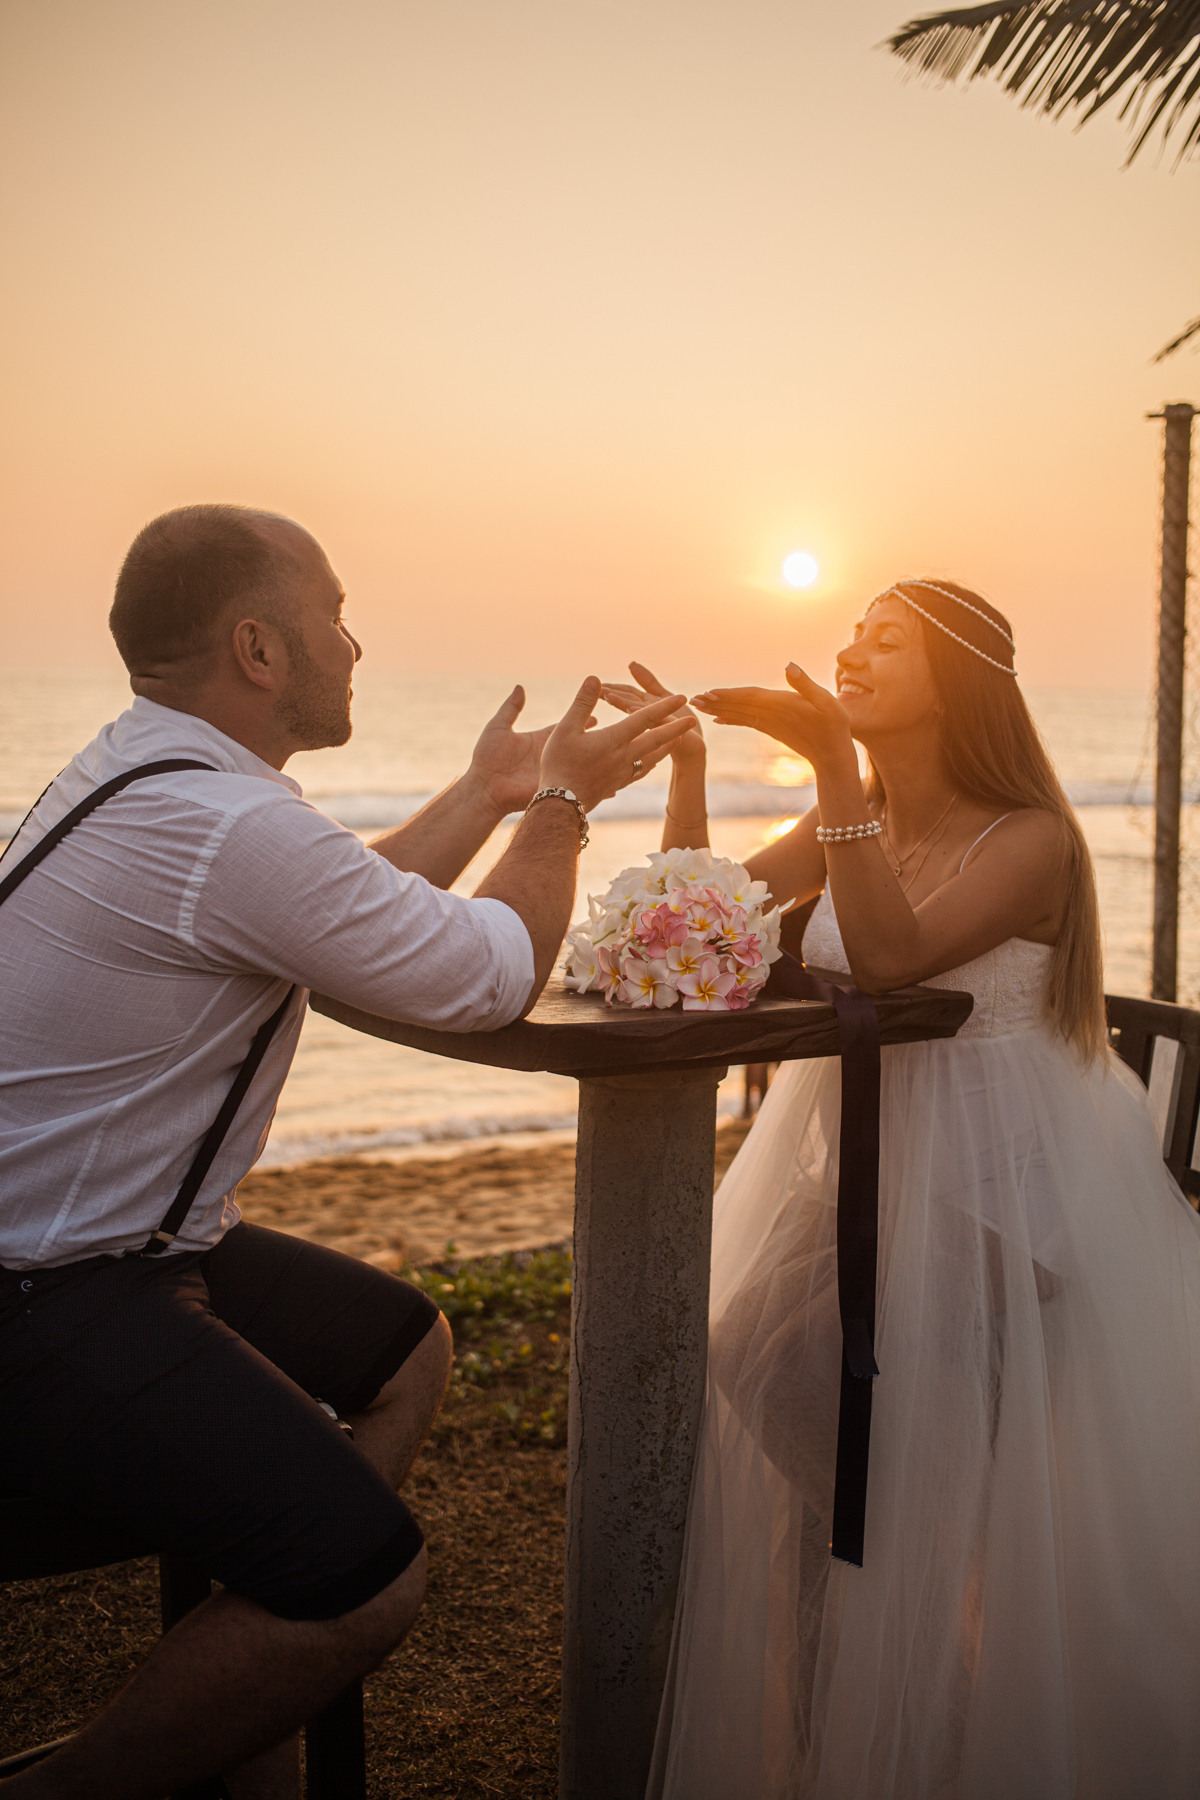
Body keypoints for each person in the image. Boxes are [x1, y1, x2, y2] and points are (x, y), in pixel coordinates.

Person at [0, 503, 690, 1800]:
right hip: (44, 1288)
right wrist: (558, 802)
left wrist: (489, 792)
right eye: (335, 611)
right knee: (368, 1582)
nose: (357, 643)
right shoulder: (223, 823)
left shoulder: (161, 775)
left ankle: (254, 1677)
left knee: (402, 1349)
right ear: (259, 648)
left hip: (127, 1247)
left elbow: (350, 896)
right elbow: (485, 973)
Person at [603, 585, 1200, 1799]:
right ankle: (885, 1630)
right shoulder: (866, 810)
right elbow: (704, 906)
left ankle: (912, 1642)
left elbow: (886, 954)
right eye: (853, 635)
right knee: (755, 1357)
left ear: (963, 682)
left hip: (1010, 1193)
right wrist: (691, 767)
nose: (851, 652)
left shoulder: (1026, 833)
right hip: (874, 1170)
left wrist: (825, 761)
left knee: (854, 1430)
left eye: (888, 641)